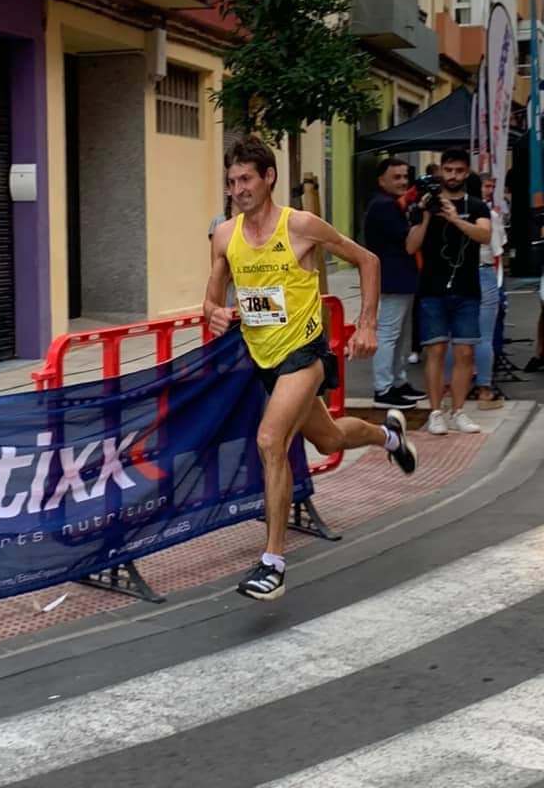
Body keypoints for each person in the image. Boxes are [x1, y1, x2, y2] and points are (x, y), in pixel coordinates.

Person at [204, 136, 416, 602]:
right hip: (264, 359)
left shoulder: (301, 226)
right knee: (329, 439)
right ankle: (390, 437)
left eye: (246, 179)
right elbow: (212, 297)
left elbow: (368, 260)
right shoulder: (225, 235)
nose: (238, 189)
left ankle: (273, 564)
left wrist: (366, 324)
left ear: (269, 178)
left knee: (269, 440)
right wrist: (214, 312)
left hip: (305, 353)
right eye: (231, 181)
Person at [407, 147, 492, 435]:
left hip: (467, 288)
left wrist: (455, 218)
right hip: (432, 288)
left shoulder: (477, 205)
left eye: (458, 171)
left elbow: (485, 235)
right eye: (448, 170)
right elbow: (411, 246)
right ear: (440, 171)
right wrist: (428, 215)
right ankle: (435, 412)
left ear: (466, 173)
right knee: (435, 351)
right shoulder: (423, 205)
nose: (453, 176)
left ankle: (458, 411)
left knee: (465, 352)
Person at [364, 157, 426, 410]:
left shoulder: (390, 204)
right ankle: (384, 387)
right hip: (392, 278)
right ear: (382, 180)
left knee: (399, 335)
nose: (402, 181)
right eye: (396, 177)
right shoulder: (384, 206)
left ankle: (397, 382)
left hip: (400, 277)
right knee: (389, 334)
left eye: (404, 176)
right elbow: (408, 242)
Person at [473, 173, 505, 408]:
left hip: (455, 275)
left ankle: (447, 389)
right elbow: (497, 253)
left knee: (455, 336)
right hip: (483, 272)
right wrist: (499, 282)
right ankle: (484, 389)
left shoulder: (448, 212)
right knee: (484, 336)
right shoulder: (489, 214)